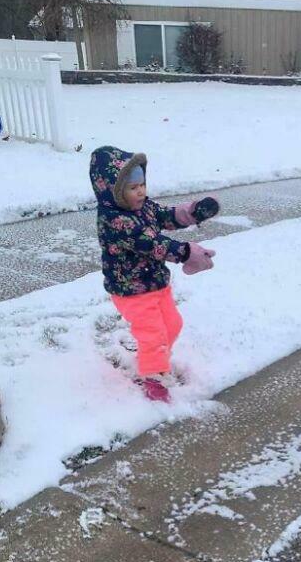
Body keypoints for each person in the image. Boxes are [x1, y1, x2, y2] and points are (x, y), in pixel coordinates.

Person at [90, 145, 219, 403]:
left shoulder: (144, 207)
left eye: (142, 185)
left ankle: (153, 358)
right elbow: (151, 243)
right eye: (132, 188)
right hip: (131, 290)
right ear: (113, 191)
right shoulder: (115, 221)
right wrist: (185, 253)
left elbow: (165, 216)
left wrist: (191, 213)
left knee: (173, 325)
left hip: (155, 282)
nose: (140, 191)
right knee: (153, 334)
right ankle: (152, 376)